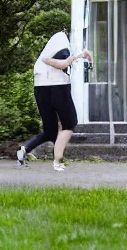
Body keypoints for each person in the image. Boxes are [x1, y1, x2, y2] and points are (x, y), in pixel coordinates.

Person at [17, 31, 91, 172]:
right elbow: (62, 64)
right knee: (69, 123)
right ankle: (57, 161)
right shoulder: (53, 51)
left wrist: (83, 56)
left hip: (40, 89)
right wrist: (76, 56)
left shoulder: (42, 58)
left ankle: (24, 149)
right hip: (58, 87)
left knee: (50, 130)